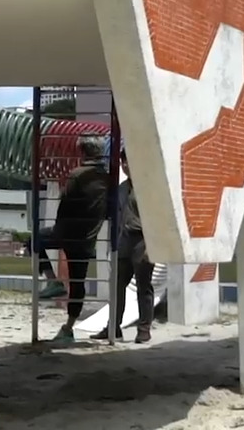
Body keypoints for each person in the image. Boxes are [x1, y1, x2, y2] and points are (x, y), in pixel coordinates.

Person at [30, 134, 110, 342]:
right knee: (77, 282)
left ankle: (52, 280)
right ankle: (68, 327)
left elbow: (64, 206)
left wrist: (59, 230)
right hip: (88, 237)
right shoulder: (107, 178)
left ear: (82, 152)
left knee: (34, 239)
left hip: (69, 232)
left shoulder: (77, 175)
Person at [93, 154, 154, 344]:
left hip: (142, 239)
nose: (126, 165)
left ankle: (144, 329)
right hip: (123, 240)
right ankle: (113, 327)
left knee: (144, 286)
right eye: (123, 162)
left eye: (129, 161)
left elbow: (155, 219)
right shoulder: (121, 189)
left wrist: (150, 246)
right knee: (117, 285)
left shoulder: (147, 188)